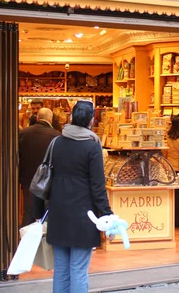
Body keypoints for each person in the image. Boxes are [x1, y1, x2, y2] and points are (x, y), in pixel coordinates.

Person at [34, 100, 113, 293]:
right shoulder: (92, 146)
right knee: (78, 269)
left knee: (61, 269)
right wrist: (107, 214)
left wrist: (40, 211)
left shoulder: (57, 142)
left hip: (58, 212)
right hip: (83, 215)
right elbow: (97, 186)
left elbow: (46, 177)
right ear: (91, 120)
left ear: (72, 117)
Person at [18, 107, 60, 227]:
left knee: (29, 210)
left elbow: (17, 154)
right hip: (49, 179)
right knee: (47, 210)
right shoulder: (56, 135)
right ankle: (44, 239)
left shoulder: (24, 133)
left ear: (37, 117)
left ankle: (26, 238)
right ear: (50, 119)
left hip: (28, 177)